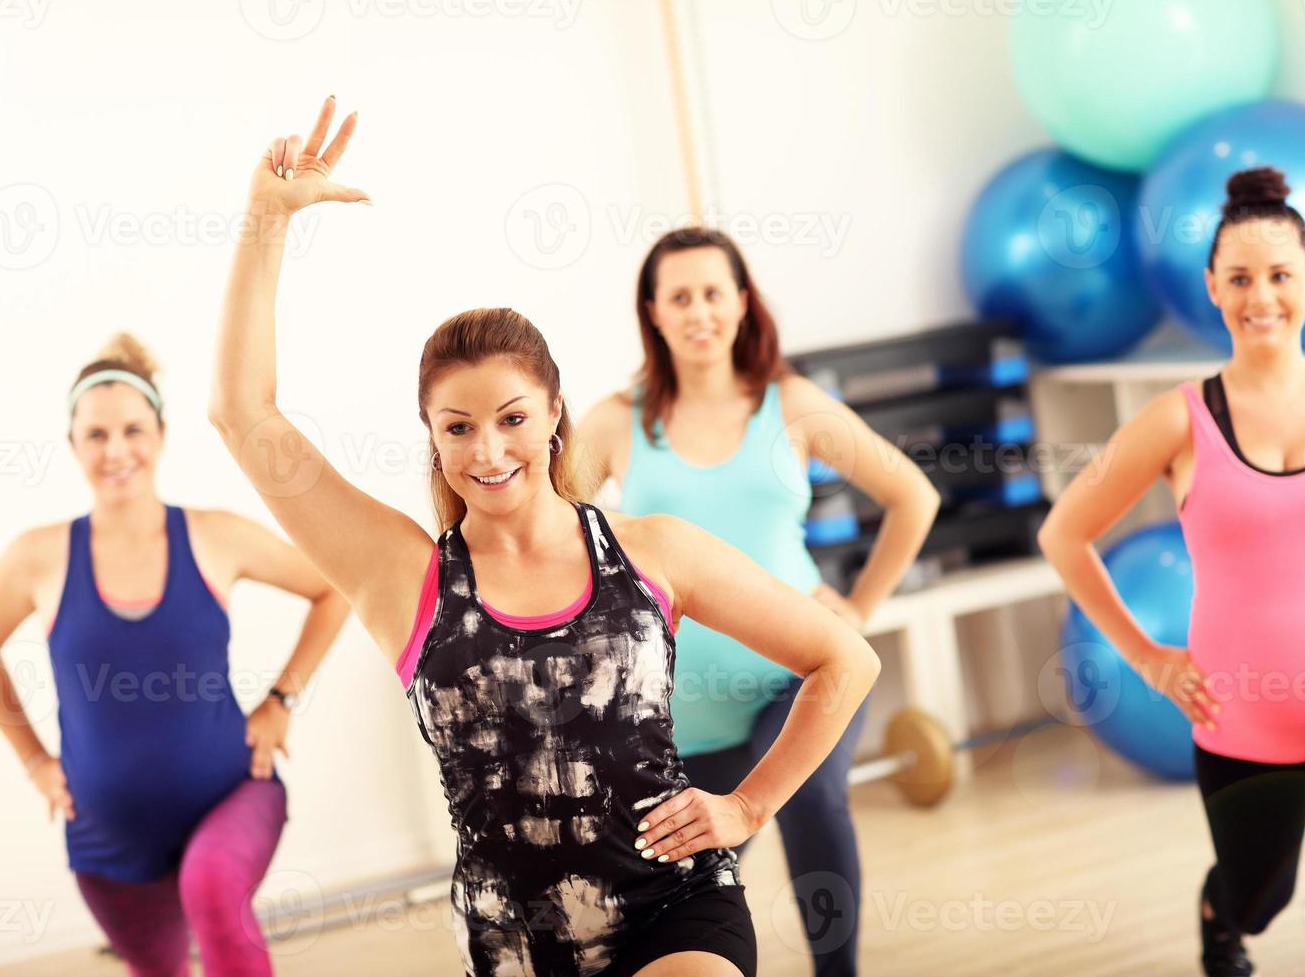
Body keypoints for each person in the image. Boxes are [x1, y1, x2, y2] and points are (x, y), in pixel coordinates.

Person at [208, 96, 881, 977]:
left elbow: (846, 660)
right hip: (513, 947)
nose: (487, 451)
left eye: (512, 417)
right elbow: (242, 414)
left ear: (555, 413)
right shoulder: (405, 578)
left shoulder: (651, 553)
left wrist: (749, 809)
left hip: (676, 907)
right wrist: (266, 217)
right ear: (433, 435)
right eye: (456, 428)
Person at [577, 226, 939, 975]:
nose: (699, 311)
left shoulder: (792, 403)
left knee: (811, 799)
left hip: (798, 679)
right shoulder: (618, 421)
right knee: (675, 891)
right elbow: (547, 535)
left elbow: (913, 495)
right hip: (680, 710)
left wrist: (860, 610)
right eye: (680, 296)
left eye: (714, 293)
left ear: (742, 304)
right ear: (652, 312)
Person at [1038, 167, 1305, 977]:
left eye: (1281, 275)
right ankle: (1223, 914)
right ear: (1212, 286)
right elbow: (1064, 534)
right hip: (1245, 715)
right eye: (1241, 278)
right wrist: (1147, 656)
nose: (1262, 297)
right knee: (1261, 896)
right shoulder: (1179, 417)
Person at [0, 333, 350, 976]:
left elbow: (333, 588)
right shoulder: (38, 556)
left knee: (214, 890)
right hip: (107, 842)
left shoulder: (216, 535)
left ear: (162, 434)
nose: (117, 451)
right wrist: (33, 760)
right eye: (97, 435)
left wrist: (281, 700)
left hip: (233, 794)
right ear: (73, 445)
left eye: (133, 430)